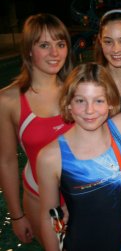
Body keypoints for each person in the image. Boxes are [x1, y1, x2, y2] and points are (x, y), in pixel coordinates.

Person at [37, 63, 121, 251]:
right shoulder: (51, 156)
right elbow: (49, 218)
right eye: (80, 101)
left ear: (111, 102)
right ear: (68, 103)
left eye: (98, 101)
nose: (90, 110)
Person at [0, 13, 74, 244]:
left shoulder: (78, 91)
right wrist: (16, 216)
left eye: (60, 44)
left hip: (82, 198)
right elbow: (7, 161)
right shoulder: (8, 100)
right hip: (39, 199)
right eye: (44, 45)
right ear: (29, 50)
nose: (55, 53)